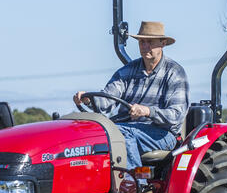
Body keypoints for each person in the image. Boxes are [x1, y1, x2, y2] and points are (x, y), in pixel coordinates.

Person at [73, 20, 189, 170]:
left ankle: (135, 187)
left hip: (161, 133)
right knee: (91, 133)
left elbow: (176, 114)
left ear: (163, 43)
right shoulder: (127, 71)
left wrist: (147, 111)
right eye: (142, 42)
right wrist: (89, 100)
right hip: (125, 127)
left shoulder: (174, 73)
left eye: (150, 42)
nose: (145, 46)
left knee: (120, 135)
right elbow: (108, 98)